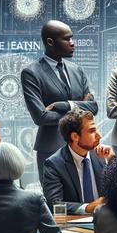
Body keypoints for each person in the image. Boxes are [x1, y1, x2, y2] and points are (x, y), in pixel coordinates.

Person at [21, 20, 98, 178]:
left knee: (85, 196)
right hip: (50, 149)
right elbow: (41, 116)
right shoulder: (31, 73)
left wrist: (63, 105)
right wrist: (79, 111)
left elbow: (93, 107)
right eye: (67, 39)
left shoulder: (77, 70)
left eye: (72, 38)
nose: (72, 43)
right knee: (55, 201)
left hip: (83, 147)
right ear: (50, 42)